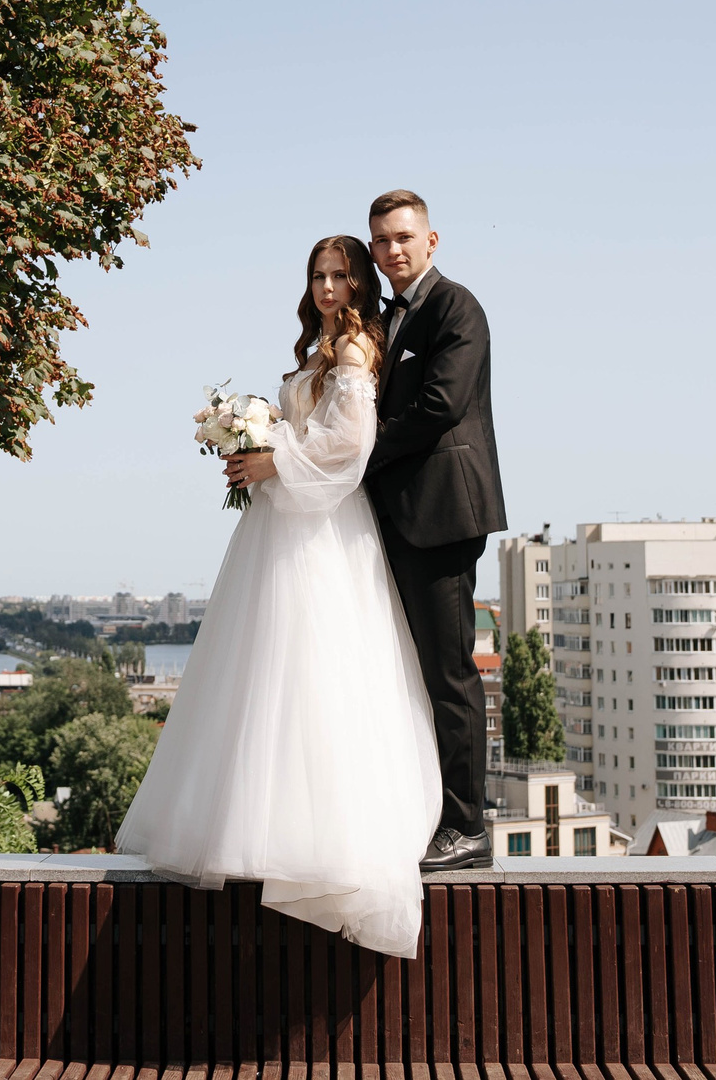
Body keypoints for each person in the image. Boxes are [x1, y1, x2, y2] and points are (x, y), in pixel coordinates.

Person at [116, 235, 442, 955]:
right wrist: (256, 446)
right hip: (279, 526)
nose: (328, 288)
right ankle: (254, 828)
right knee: (264, 672)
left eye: (340, 276)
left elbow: (348, 451)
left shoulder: (355, 351)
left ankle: (321, 845)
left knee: (319, 671)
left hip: (322, 530)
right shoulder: (322, 346)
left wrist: (272, 457)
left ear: (359, 283)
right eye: (318, 276)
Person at [359, 189, 507, 872]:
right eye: (382, 240)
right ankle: (426, 813)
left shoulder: (457, 307)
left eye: (404, 237)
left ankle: (468, 827)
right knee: (409, 677)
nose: (393, 250)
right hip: (394, 520)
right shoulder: (386, 318)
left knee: (449, 676)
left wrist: (352, 450)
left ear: (431, 241)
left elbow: (440, 406)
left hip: (443, 518)